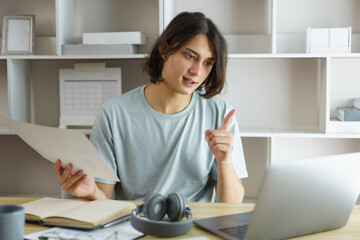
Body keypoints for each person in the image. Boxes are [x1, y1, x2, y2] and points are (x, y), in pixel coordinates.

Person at [54, 12, 248, 203]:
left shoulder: (221, 115)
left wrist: (224, 162)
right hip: (135, 226)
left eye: (207, 63)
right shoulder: (113, 113)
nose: (197, 71)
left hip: (197, 228)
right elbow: (103, 198)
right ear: (165, 50)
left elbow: (231, 206)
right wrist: (90, 192)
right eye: (190, 56)